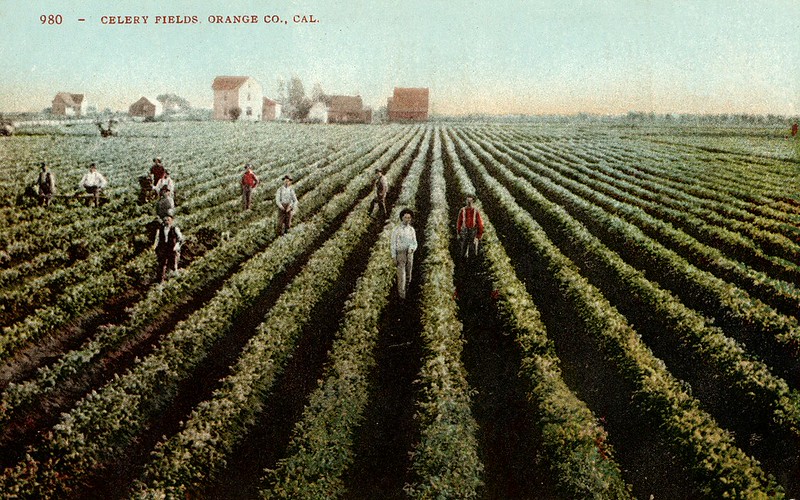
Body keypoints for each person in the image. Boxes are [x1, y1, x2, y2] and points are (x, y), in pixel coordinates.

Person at [391, 208, 418, 299]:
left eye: (409, 218)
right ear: (402, 218)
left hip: (409, 254)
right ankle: (401, 295)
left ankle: (407, 290)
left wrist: (412, 248)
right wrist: (394, 256)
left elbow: (414, 242)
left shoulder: (411, 230)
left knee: (408, 274)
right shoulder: (397, 230)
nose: (407, 220)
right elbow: (393, 244)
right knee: (401, 275)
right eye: (405, 217)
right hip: (400, 254)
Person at [152, 215, 184, 282]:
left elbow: (180, 238)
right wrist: (155, 247)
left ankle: (175, 279)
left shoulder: (174, 228)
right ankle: (161, 280)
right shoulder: (160, 229)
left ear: (171, 221)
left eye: (168, 220)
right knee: (161, 264)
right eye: (165, 220)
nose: (167, 222)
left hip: (171, 248)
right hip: (163, 249)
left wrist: (177, 246)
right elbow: (157, 239)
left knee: (173, 263)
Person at [456, 194, 484, 259]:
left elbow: (479, 223)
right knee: (463, 247)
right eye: (468, 201)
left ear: (473, 201)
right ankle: (463, 260)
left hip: (473, 231)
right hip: (465, 231)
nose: (469, 202)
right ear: (466, 201)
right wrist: (458, 232)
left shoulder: (475, 211)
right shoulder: (462, 210)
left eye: (470, 201)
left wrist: (479, 235)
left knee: (472, 247)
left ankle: (471, 260)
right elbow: (459, 222)